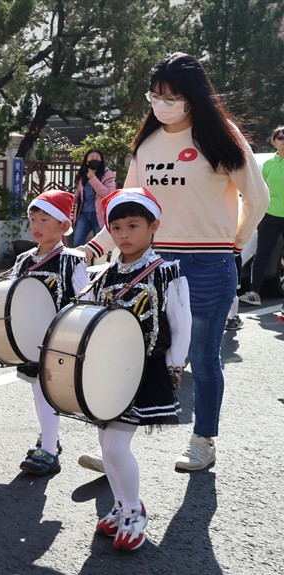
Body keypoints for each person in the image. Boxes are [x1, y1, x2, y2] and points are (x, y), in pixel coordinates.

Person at [79, 52, 269, 472]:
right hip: (151, 264)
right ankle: (115, 446)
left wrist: (235, 243)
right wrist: (93, 248)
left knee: (203, 357)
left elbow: (257, 199)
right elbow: (125, 209)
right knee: (133, 351)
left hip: (208, 262)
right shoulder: (147, 144)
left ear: (192, 95)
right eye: (155, 95)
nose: (161, 104)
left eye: (171, 96)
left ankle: (204, 440)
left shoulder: (221, 137)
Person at [82, 188, 191, 551]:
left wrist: (174, 368)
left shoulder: (166, 272)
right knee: (106, 443)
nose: (123, 234)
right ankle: (120, 505)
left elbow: (181, 325)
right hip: (108, 371)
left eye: (132, 225)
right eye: (116, 228)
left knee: (115, 445)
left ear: (153, 226)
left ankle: (133, 511)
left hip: (144, 371)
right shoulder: (104, 275)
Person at [9, 191, 87, 475]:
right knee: (38, 389)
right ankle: (49, 435)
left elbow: (84, 303)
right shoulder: (24, 260)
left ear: (64, 226)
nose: (36, 225)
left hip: (58, 340)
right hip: (31, 339)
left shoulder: (72, 260)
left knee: (46, 391)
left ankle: (50, 450)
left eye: (45, 219)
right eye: (33, 219)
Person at [238, 125, 284, 307]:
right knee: (262, 254)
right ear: (274, 141)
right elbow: (260, 189)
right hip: (270, 215)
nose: (283, 141)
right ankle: (254, 292)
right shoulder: (268, 165)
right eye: (280, 137)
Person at [70, 149, 117, 247]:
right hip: (83, 214)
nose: (94, 159)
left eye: (97, 158)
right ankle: (80, 258)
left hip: (99, 215)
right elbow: (78, 194)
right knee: (77, 242)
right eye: (92, 157)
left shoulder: (108, 175)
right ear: (86, 161)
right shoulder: (82, 175)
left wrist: (93, 178)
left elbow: (107, 194)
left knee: (100, 245)